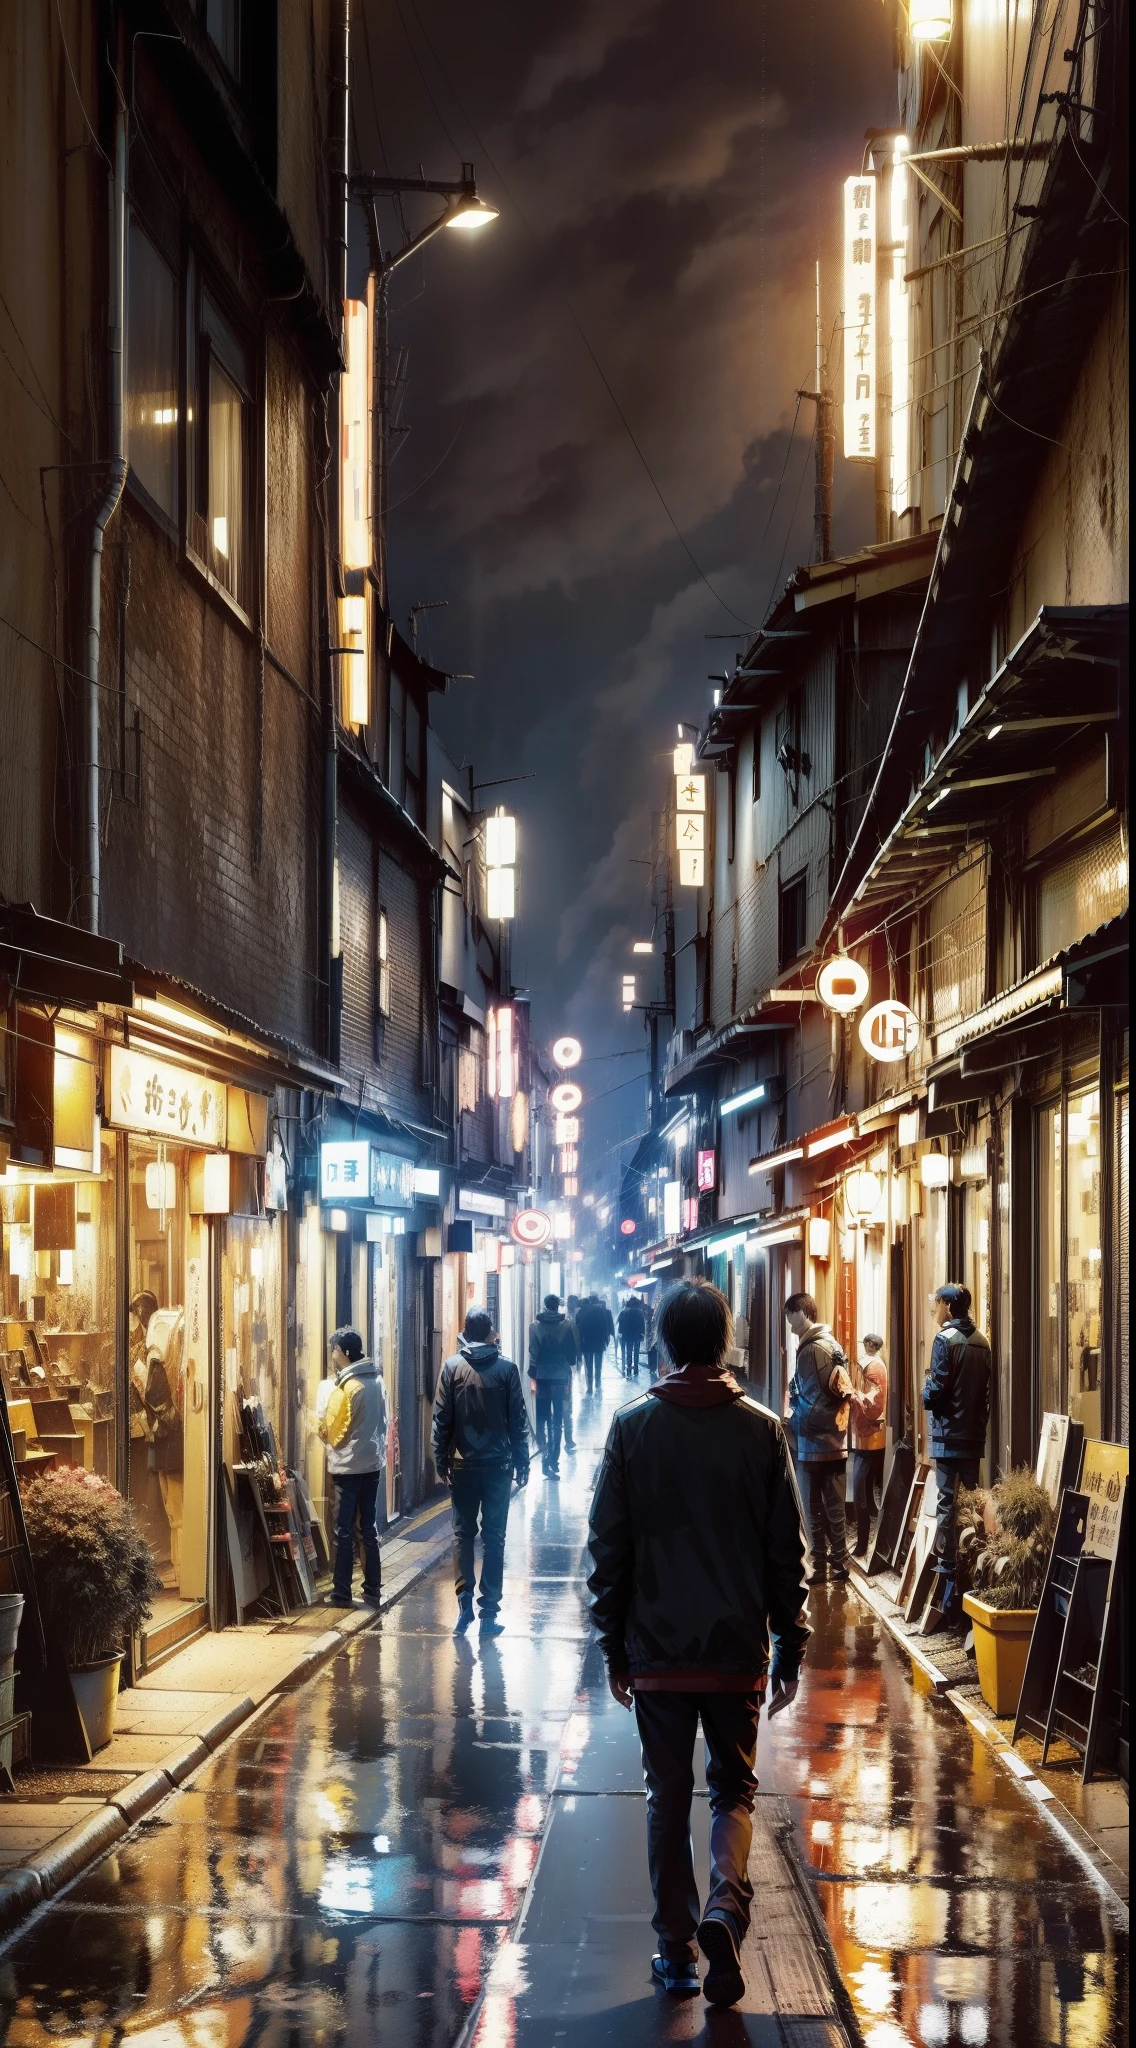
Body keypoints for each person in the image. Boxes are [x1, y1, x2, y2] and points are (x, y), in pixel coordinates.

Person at [588, 1280, 810, 2007]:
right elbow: (786, 1551)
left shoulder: (631, 1427)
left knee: (666, 1795)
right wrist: (790, 1644)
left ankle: (677, 1950)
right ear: (723, 1341)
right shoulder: (762, 1428)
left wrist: (612, 1645)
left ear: (664, 1340)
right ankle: (726, 1905)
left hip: (655, 1651)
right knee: (734, 1790)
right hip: (735, 1648)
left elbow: (608, 1550)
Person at [432, 1307, 531, 1634]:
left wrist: (440, 1459)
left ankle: (464, 1603)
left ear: (465, 1332)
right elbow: (518, 1421)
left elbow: (442, 1419)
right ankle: (489, 1612)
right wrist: (522, 1461)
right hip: (498, 1466)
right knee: (494, 1537)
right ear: (490, 1333)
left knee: (463, 1533)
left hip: (462, 1466)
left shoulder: (452, 1368)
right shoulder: (507, 1370)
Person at [923, 1283, 992, 1620]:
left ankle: (949, 1571)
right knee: (975, 1500)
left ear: (948, 1307)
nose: (933, 1310)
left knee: (947, 1503)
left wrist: (925, 1392)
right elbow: (987, 1395)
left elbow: (935, 1392)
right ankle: (978, 1561)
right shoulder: (982, 1342)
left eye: (935, 1304)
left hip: (948, 1436)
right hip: (973, 1437)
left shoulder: (944, 1340)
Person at [317, 1326, 388, 1609]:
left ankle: (342, 1593)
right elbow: (382, 1422)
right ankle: (372, 1589)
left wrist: (322, 1433)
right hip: (372, 1465)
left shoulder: (347, 1387)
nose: (333, 1356)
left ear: (345, 1353)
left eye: (335, 1350)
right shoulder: (377, 1380)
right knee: (367, 1528)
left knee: (343, 1531)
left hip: (347, 1469)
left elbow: (335, 1432)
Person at [785, 1292, 853, 1585]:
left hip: (814, 1443)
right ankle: (841, 1563)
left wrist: (793, 1420)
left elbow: (809, 1398)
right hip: (837, 1440)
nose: (789, 1325)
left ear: (801, 1312)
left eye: (789, 1316)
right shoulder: (832, 1344)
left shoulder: (812, 1349)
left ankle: (822, 1566)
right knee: (835, 1506)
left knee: (813, 1506)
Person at [528, 1294, 578, 1477]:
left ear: (544, 1305)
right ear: (558, 1307)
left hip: (541, 1378)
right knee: (558, 1420)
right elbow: (573, 1355)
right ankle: (553, 1460)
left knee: (542, 1419)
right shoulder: (567, 1325)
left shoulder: (534, 1327)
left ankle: (544, 1457)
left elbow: (533, 1354)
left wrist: (534, 1376)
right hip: (561, 1378)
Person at [850, 1334, 888, 1558]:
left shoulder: (873, 1366)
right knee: (864, 1491)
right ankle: (865, 1542)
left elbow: (874, 1403)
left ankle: (862, 1544)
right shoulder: (873, 1364)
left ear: (871, 1346)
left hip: (869, 1437)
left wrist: (856, 1396)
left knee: (859, 1492)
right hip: (869, 1437)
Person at [576, 1294, 614, 1392]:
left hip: (586, 1342)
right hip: (598, 1342)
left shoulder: (581, 1311)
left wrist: (579, 1343)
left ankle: (589, 1387)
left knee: (588, 1366)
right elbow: (604, 1325)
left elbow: (578, 1328)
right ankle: (597, 1382)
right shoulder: (600, 1310)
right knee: (598, 1364)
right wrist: (606, 1339)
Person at [617, 1294, 646, 1376]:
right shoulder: (639, 1312)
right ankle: (635, 1369)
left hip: (628, 1335)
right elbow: (642, 1324)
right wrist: (642, 1334)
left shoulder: (624, 1312)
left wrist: (621, 1333)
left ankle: (629, 1368)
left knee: (629, 1352)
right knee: (636, 1352)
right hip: (637, 1335)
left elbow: (621, 1323)